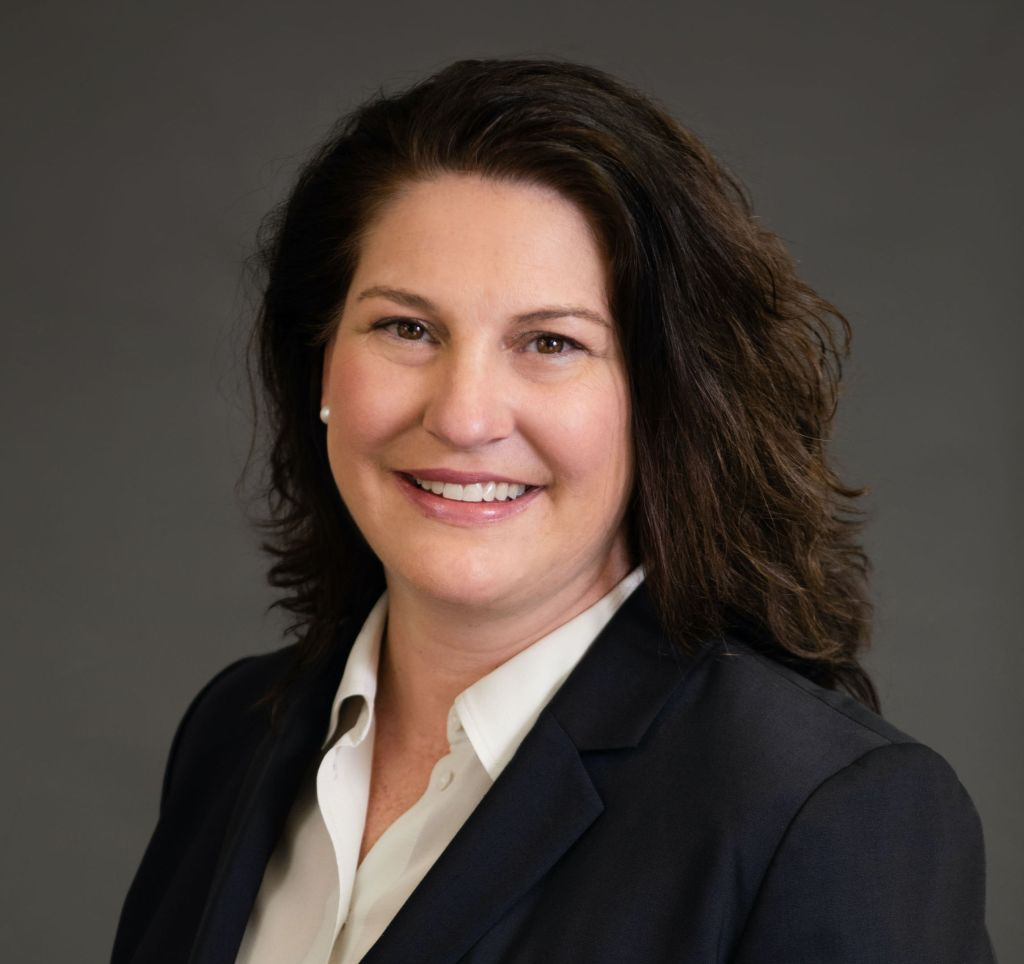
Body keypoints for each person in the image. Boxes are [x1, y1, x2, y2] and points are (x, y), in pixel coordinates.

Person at [111, 59, 995, 963]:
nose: (463, 416)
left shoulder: (824, 813)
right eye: (406, 328)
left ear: (665, 401)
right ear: (319, 364)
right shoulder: (234, 732)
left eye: (551, 342)